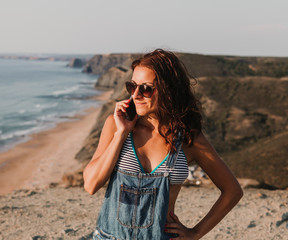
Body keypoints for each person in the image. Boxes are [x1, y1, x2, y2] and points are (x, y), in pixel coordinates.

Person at [83, 49, 243, 239]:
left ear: (169, 89)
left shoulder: (188, 138)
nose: (136, 95)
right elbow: (91, 185)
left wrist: (195, 233)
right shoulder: (116, 126)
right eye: (132, 86)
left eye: (146, 88)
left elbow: (232, 191)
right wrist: (121, 134)